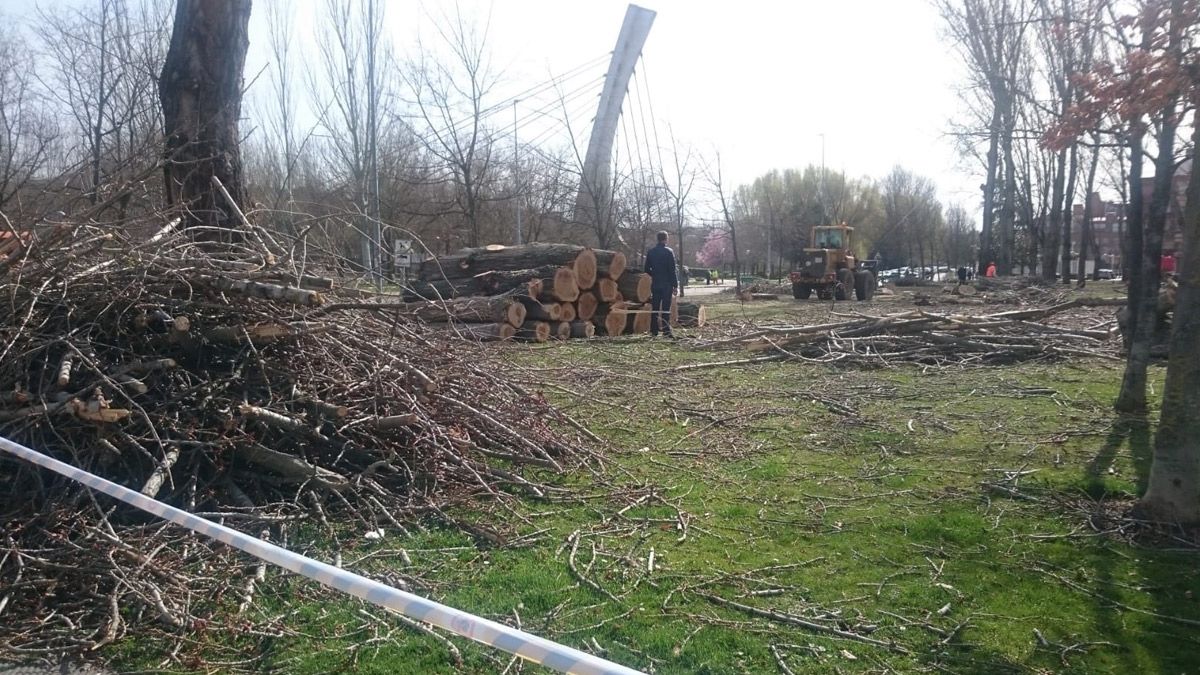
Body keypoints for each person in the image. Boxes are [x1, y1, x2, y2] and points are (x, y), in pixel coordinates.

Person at [644, 230, 678, 337]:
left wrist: (654, 274)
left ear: (657, 239)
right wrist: (675, 285)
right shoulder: (669, 252)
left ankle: (654, 330)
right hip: (666, 284)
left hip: (656, 283)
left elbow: (646, 269)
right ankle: (666, 330)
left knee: (655, 308)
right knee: (665, 308)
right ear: (666, 239)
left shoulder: (651, 252)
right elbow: (672, 270)